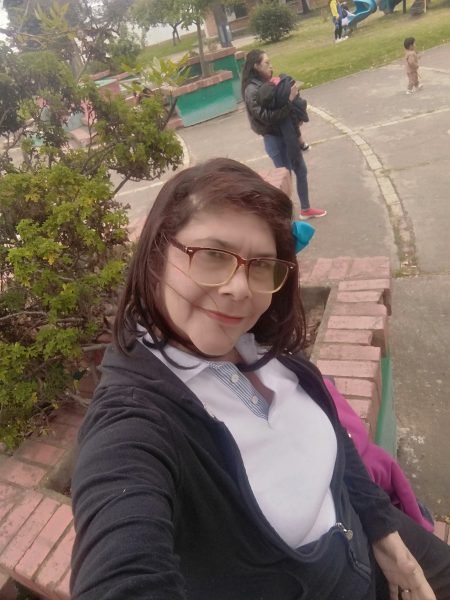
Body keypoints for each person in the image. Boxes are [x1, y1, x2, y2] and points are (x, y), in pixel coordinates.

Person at [70, 157, 450, 600]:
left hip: (369, 534)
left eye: (261, 265)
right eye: (213, 256)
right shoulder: (135, 422)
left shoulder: (261, 344)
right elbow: (121, 569)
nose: (239, 288)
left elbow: (331, 436)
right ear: (156, 255)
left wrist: (385, 533)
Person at [241, 50, 326, 220]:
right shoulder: (251, 90)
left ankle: (305, 209)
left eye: (270, 62)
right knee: (284, 179)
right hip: (274, 139)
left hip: (287, 135)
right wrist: (289, 101)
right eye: (266, 63)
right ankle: (285, 218)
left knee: (300, 170)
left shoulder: (267, 82)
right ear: (256, 66)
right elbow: (266, 117)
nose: (271, 66)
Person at [258, 74, 311, 151]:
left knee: (293, 125)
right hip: (283, 114)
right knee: (292, 125)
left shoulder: (278, 83)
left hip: (288, 106)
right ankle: (300, 144)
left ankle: (300, 143)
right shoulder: (268, 89)